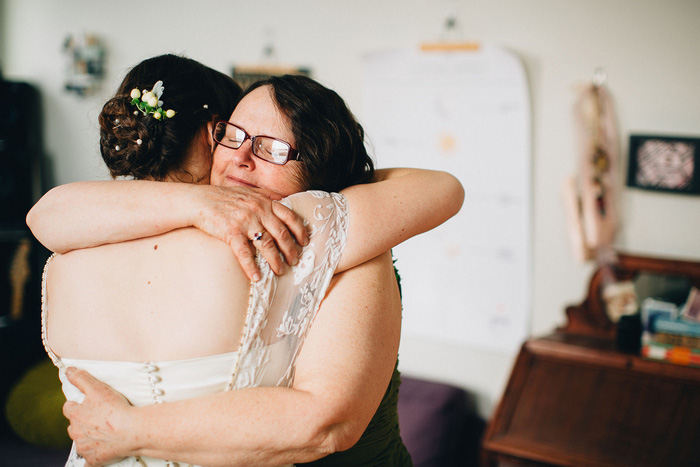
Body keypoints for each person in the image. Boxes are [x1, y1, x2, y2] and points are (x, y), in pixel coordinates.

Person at [29, 58, 464, 465]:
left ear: (318, 165)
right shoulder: (117, 226)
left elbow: (45, 213)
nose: (240, 157)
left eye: (272, 149)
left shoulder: (322, 233)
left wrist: (128, 429)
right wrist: (202, 203)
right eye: (231, 135)